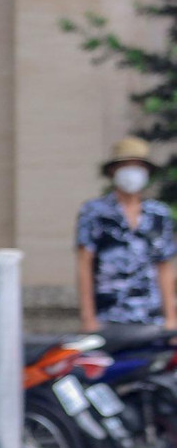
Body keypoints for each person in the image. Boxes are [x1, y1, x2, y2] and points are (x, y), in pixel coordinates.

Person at [76, 136, 177, 331]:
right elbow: (84, 264)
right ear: (113, 170)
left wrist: (171, 318)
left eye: (138, 165)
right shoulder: (94, 212)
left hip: (151, 315)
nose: (132, 172)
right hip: (108, 315)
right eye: (126, 165)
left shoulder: (158, 213)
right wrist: (87, 317)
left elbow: (164, 267)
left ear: (147, 171)